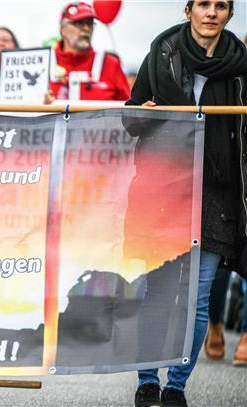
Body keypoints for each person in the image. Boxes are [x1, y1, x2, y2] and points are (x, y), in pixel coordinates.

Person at [126, 1, 247, 406]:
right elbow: (130, 117)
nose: (211, 12)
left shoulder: (241, 63)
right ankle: (147, 381)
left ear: (229, 14)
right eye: (203, 5)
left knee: (197, 300)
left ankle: (176, 386)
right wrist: (142, 115)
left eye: (221, 6)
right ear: (189, 10)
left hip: (217, 191)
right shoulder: (161, 52)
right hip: (164, 188)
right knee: (158, 294)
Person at [50, 1, 130, 101]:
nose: (86, 28)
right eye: (79, 23)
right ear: (62, 28)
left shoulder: (110, 64)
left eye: (90, 23)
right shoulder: (44, 61)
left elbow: (130, 108)